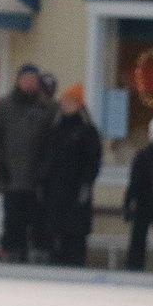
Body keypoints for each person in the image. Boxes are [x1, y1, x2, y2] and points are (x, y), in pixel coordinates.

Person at [0, 63, 53, 262]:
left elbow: (53, 140)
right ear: (19, 80)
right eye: (26, 79)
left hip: (37, 177)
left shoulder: (47, 107)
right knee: (13, 218)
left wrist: (46, 169)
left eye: (33, 79)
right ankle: (13, 253)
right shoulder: (5, 105)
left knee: (36, 218)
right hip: (11, 175)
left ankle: (34, 254)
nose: (29, 83)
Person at [37, 83, 102, 267]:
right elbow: (46, 158)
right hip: (56, 191)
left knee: (75, 233)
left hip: (76, 191)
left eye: (70, 102)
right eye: (64, 102)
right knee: (55, 231)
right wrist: (43, 181)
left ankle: (75, 264)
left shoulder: (87, 131)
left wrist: (86, 184)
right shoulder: (55, 129)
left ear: (79, 105)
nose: (66, 106)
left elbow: (93, 161)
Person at [122, 116, 153, 271]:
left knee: (139, 238)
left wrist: (128, 204)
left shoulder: (142, 155)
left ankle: (134, 266)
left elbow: (134, 183)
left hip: (145, 201)